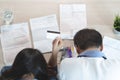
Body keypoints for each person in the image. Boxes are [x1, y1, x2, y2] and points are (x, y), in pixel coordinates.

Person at [52, 28, 120, 80]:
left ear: (77, 49)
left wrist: (54, 52)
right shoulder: (117, 65)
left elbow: (52, 74)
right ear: (102, 47)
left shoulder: (66, 64)